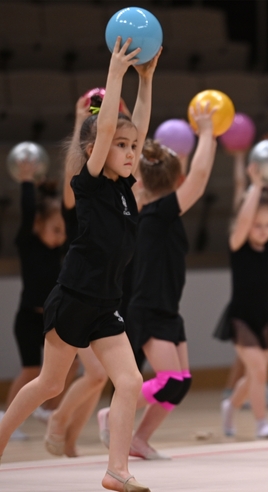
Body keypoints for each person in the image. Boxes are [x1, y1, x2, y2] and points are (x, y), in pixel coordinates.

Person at [0, 38, 159, 492]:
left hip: (106, 304)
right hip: (73, 297)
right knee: (49, 384)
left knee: (128, 382)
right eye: (120, 145)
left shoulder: (127, 188)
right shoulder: (88, 185)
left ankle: (116, 470)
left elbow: (137, 127)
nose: (130, 151)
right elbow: (105, 128)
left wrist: (146, 81)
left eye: (133, 147)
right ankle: (2, 436)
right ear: (97, 148)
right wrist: (115, 73)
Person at [96, 102, 218, 460]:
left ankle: (139, 440)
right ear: (173, 180)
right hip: (149, 308)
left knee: (181, 384)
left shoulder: (152, 207)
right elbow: (197, 180)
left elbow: (179, 177)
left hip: (165, 308)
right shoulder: (156, 212)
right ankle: (112, 412)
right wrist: (208, 132)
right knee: (169, 381)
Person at [44, 95, 110, 459]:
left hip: (108, 286)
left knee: (99, 378)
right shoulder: (82, 189)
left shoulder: (117, 184)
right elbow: (73, 173)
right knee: (92, 374)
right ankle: (57, 421)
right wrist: (80, 119)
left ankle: (68, 443)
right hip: (78, 288)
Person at [218, 160, 268, 439]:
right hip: (241, 316)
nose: (263, 229)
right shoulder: (238, 243)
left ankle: (231, 405)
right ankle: (261, 422)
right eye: (257, 224)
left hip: (265, 316)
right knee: (259, 370)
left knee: (255, 374)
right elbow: (243, 219)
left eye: (267, 224)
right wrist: (258, 185)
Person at [1, 164, 66, 442]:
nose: (60, 236)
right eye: (55, 229)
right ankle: (6, 416)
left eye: (63, 231)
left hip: (50, 318)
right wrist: (27, 183)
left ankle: (44, 410)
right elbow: (28, 213)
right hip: (28, 318)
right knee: (30, 370)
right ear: (39, 225)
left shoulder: (60, 249)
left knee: (68, 365)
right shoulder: (28, 243)